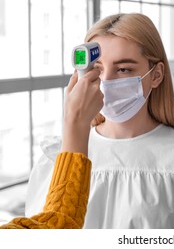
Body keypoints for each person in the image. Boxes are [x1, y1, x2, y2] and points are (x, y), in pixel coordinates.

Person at [25, 13, 174, 229]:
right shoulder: (58, 158)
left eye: (123, 69)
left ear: (156, 75)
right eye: (98, 69)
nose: (106, 81)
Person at [1, 69, 103, 229]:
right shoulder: (49, 163)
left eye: (124, 69)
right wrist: (75, 121)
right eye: (99, 69)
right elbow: (59, 226)